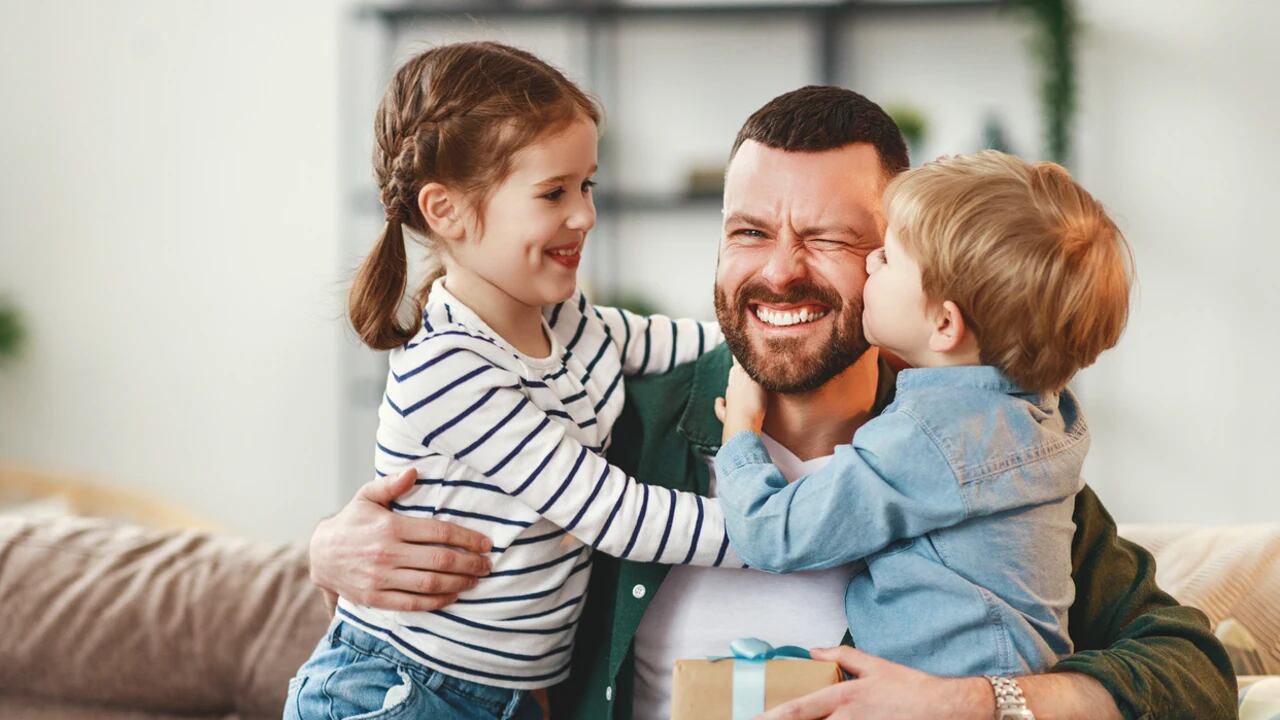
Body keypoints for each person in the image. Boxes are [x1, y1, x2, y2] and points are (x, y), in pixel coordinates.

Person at [309, 86, 1237, 719]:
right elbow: (438, 599)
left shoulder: (981, 458)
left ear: (909, 270)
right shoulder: (622, 421)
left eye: (832, 237)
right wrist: (327, 550)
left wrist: (978, 703)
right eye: (749, 231)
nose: (779, 269)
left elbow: (1191, 667)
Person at [286, 41, 743, 720]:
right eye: (553, 193)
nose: (585, 214)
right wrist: (777, 529)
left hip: (505, 697)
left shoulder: (563, 315)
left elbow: (667, 341)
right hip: (406, 693)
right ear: (447, 211)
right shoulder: (450, 369)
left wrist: (767, 336)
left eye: (585, 185)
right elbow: (612, 512)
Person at [713, 150, 1133, 679]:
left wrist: (740, 432)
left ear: (944, 325)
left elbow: (772, 534)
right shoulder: (1042, 417)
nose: (870, 262)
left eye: (887, 257)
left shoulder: (929, 436)